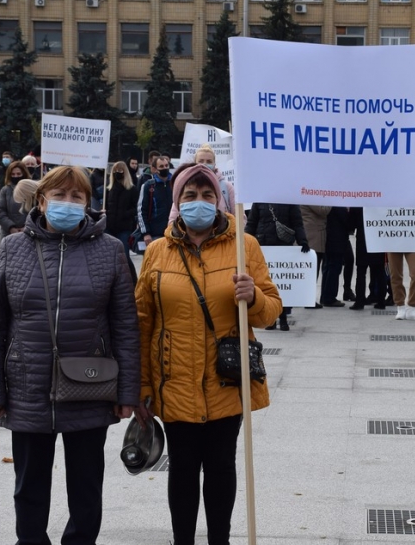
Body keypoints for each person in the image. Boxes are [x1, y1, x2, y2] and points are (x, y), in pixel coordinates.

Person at [0, 165, 139, 544]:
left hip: (91, 387)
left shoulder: (110, 250)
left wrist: (128, 392)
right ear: (42, 200)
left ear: (87, 204)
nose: (67, 203)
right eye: (60, 195)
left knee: (86, 489)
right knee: (29, 487)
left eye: (77, 197)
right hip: (27, 385)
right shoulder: (14, 247)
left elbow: (126, 327)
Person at [134, 163, 281, 544]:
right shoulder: (157, 252)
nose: (199, 202)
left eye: (207, 195)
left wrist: (255, 296)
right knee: (182, 468)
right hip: (174, 380)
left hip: (226, 380)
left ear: (220, 200)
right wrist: (141, 385)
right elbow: (142, 321)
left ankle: (221, 539)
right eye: (190, 195)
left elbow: (271, 310)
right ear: (177, 202)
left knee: (220, 467)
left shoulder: (243, 246)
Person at [245, 203, 310, 330]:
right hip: (263, 247)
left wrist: (303, 241)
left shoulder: (289, 200)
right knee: (267, 284)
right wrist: (245, 242)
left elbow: (297, 223)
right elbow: (252, 223)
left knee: (283, 285)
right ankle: (271, 318)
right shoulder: (260, 200)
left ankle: (283, 317)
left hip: (283, 247)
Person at [105, 161, 139, 283]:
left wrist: (125, 214)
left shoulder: (132, 189)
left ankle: (132, 281)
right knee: (108, 256)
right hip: (109, 226)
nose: (117, 173)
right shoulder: (109, 189)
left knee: (124, 256)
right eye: (115, 171)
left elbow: (136, 207)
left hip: (124, 227)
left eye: (120, 170)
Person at [347, 207, 388, 310]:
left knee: (361, 272)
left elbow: (351, 224)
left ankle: (359, 301)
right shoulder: (381, 202)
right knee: (379, 272)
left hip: (363, 240)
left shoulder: (359, 203)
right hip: (378, 239)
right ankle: (381, 301)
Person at [137, 156, 173, 247]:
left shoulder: (175, 183)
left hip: (173, 232)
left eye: (166, 165)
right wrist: (145, 233)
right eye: (161, 166)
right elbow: (141, 211)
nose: (165, 168)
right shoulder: (148, 186)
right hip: (154, 234)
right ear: (154, 169)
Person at [300, 205, 331, 308]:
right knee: (312, 271)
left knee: (311, 271)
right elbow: (323, 210)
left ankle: (306, 298)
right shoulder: (309, 195)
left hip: (311, 236)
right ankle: (309, 300)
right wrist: (332, 200)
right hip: (312, 238)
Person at [319, 207, 350, 307]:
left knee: (328, 267)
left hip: (330, 238)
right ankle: (329, 298)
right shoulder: (337, 204)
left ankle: (325, 296)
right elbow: (345, 219)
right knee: (334, 268)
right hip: (337, 239)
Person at [0, 161, 32, 242]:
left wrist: (27, 227)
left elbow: (37, 210)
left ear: (24, 174)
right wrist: (10, 227)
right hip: (8, 233)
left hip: (29, 233)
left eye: (18, 174)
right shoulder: (5, 190)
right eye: (13, 174)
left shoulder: (32, 190)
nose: (16, 176)